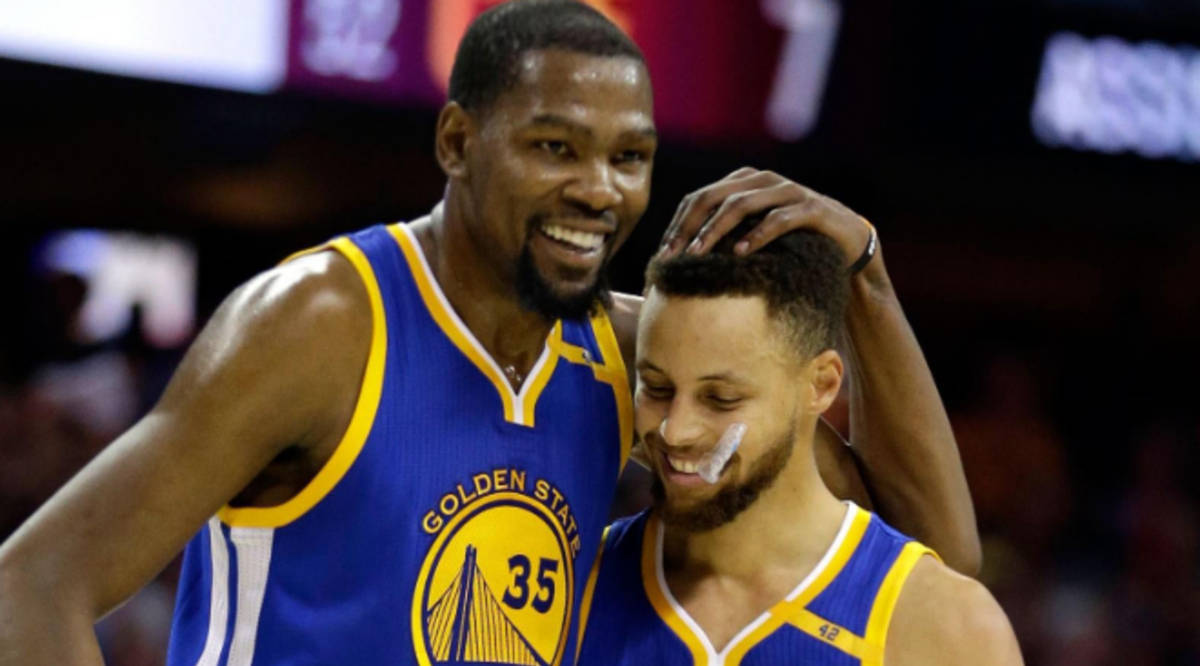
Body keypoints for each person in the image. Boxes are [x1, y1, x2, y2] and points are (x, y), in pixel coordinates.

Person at [0, 1, 977, 664]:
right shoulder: (322, 322)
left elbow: (929, 563)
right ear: (458, 142)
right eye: (556, 147)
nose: (598, 190)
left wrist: (868, 278)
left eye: (629, 157)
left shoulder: (627, 356)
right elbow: (32, 589)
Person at [577, 227, 1021, 665]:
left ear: (822, 385)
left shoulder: (945, 626)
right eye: (656, 387)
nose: (676, 431)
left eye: (721, 399)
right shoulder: (571, 585)